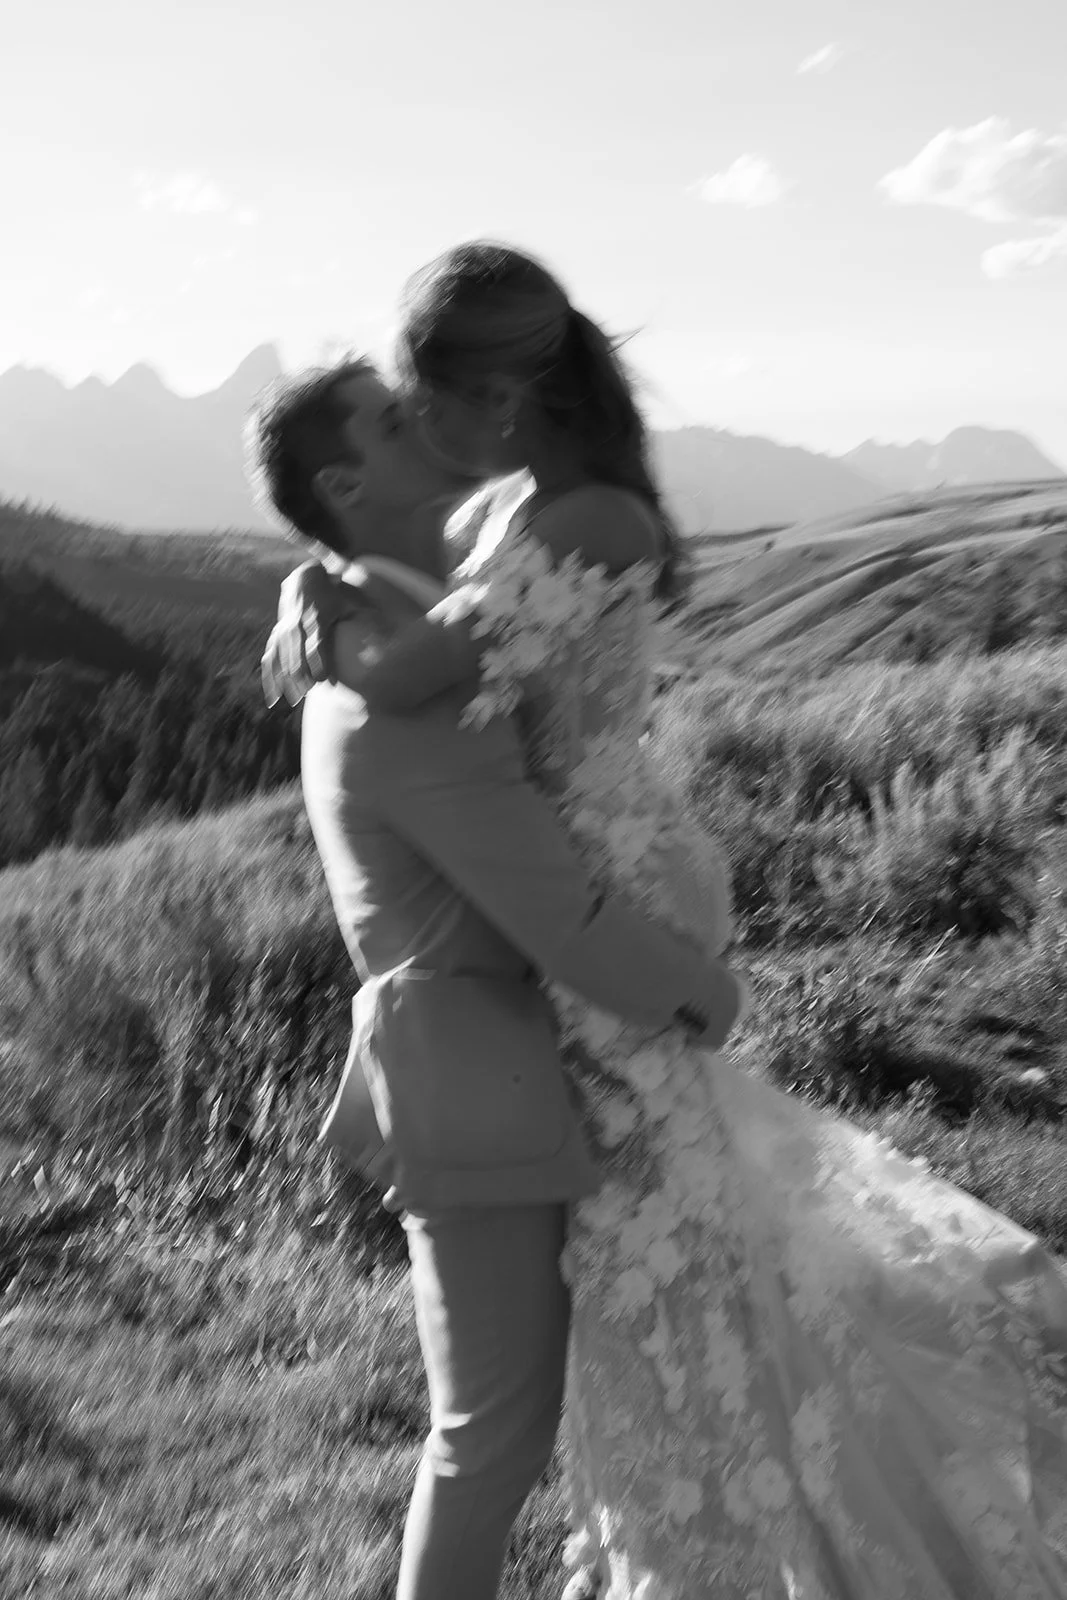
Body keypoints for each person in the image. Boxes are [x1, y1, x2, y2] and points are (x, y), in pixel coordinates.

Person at [268, 243, 1067, 1600]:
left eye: (425, 403)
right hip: (575, 899)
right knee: (660, 1232)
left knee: (661, 1228)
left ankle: (718, 1512)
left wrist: (319, 611)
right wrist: (320, 577)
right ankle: (695, 1503)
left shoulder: (574, 524)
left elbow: (422, 667)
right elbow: (425, 635)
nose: (429, 430)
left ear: (501, 394)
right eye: (401, 417)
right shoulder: (518, 514)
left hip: (605, 874)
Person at [244, 356, 747, 1600]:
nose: (431, 411)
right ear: (349, 481)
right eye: (392, 413)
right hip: (477, 1073)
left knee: (540, 1407)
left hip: (520, 1061)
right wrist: (706, 993)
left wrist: (314, 582)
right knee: (493, 1428)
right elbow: (557, 910)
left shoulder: (400, 623)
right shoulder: (394, 696)